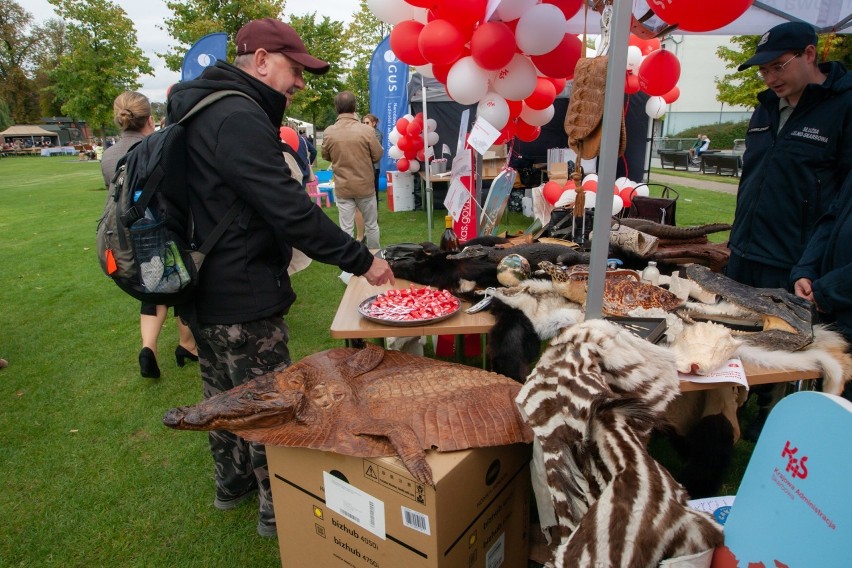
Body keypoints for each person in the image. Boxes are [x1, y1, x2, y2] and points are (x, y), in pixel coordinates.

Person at [165, 18, 394, 538]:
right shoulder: (237, 115)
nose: (299, 85)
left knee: (221, 399)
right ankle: (278, 510)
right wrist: (363, 259)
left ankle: (232, 484)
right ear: (262, 59)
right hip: (241, 293)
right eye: (295, 71)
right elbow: (290, 210)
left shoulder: (201, 104)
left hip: (202, 287)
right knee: (271, 407)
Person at [725, 21, 851, 439]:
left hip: (792, 258)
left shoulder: (843, 106)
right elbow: (754, 176)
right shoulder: (764, 107)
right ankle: (727, 412)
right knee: (731, 339)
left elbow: (842, 199)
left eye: (778, 66)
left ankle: (775, 420)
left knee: (782, 350)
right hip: (744, 250)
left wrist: (812, 263)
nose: (771, 78)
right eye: (764, 71)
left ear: (810, 54)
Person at [100, 91, 198, 380]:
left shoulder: (109, 155)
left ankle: (149, 347)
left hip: (126, 236)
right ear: (150, 119)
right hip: (161, 231)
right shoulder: (158, 149)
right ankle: (187, 344)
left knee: (149, 289)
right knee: (180, 284)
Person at [791, 170, 852, 402]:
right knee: (828, 403)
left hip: (837, 297)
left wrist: (828, 290)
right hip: (834, 312)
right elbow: (831, 218)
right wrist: (806, 270)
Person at [321, 92, 384, 249]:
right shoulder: (367, 131)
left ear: (336, 108)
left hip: (343, 187)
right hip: (365, 186)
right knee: (371, 225)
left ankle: (350, 266)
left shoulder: (329, 131)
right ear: (354, 107)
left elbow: (325, 155)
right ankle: (374, 257)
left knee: (346, 229)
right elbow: (377, 155)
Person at [361, 113, 383, 202]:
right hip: (365, 165)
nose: (365, 125)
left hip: (374, 166)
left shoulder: (377, 134)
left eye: (367, 123)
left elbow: (374, 150)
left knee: (373, 190)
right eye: (363, 123)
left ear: (373, 123)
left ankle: (375, 208)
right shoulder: (363, 133)